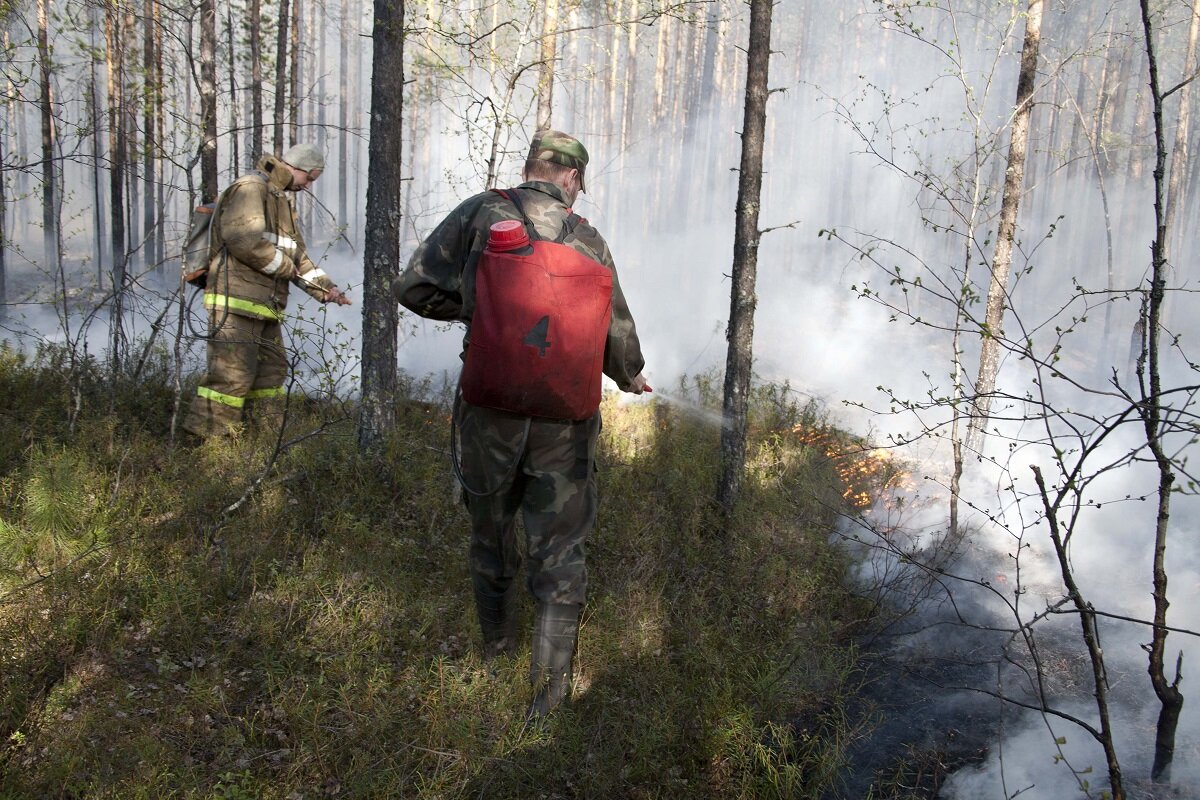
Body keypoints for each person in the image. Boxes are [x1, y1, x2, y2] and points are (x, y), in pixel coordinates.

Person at [395, 130, 649, 719]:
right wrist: (630, 376)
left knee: (490, 532)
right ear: (572, 179)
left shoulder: (483, 212)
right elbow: (617, 335)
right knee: (559, 552)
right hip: (565, 425)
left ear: (533, 167)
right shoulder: (589, 238)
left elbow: (413, 287)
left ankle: (495, 651)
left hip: (490, 414)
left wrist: (482, 314)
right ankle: (549, 697)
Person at [183, 143, 351, 439]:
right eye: (309, 177)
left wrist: (326, 289)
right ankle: (205, 445)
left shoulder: (280, 200)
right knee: (230, 378)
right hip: (235, 303)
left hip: (263, 305)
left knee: (271, 373)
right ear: (294, 167)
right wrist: (284, 267)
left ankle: (258, 444)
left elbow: (296, 255)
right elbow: (243, 240)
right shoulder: (251, 189)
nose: (309, 185)